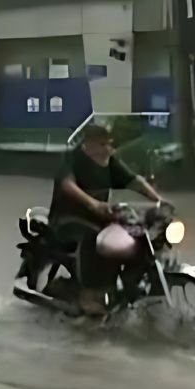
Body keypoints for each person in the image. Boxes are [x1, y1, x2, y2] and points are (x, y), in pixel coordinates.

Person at [50, 124, 163, 314]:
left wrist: (159, 200)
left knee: (132, 234)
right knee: (93, 237)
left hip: (100, 217)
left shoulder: (109, 161)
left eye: (109, 144)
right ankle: (87, 295)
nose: (107, 149)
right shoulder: (72, 157)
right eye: (102, 145)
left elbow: (135, 181)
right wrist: (92, 203)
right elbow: (67, 185)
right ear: (89, 144)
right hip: (67, 218)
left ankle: (126, 284)